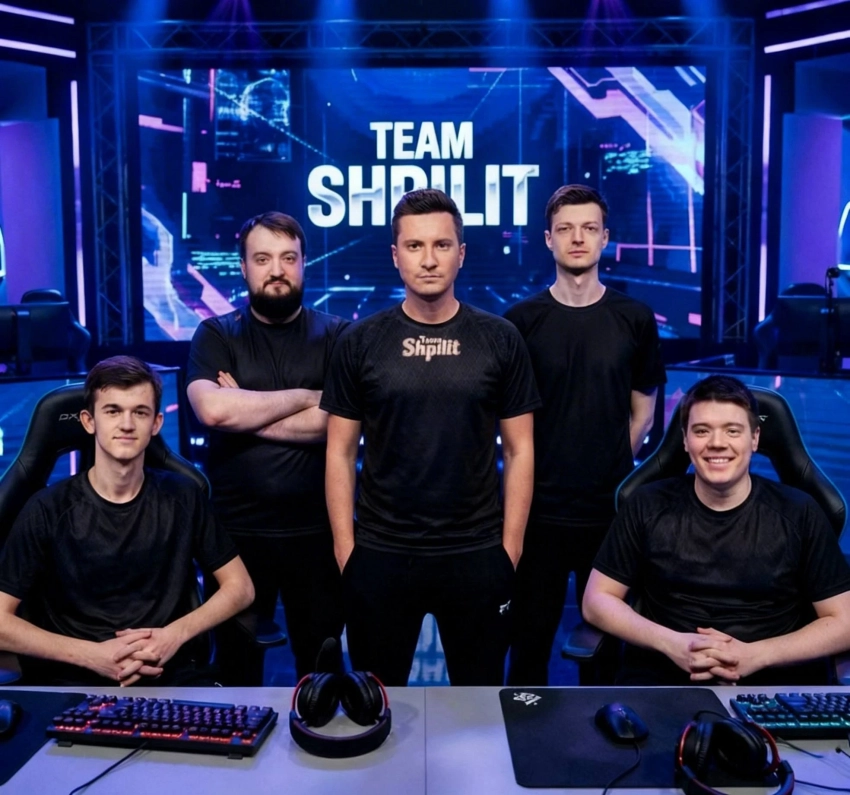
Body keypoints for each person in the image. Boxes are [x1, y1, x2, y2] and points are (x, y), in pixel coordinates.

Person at [322, 188, 540, 687]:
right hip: (380, 552)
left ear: (461, 254)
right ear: (395, 256)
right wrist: (346, 552)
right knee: (377, 706)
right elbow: (339, 452)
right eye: (415, 246)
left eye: (441, 245)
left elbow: (521, 449)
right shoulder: (360, 341)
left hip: (476, 552)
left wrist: (509, 551)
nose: (428, 259)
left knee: (479, 707)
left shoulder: (500, 338)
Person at [0, 356, 254, 687]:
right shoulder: (46, 509)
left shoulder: (184, 497)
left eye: (140, 412)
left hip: (169, 674)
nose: (127, 424)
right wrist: (93, 656)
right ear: (89, 421)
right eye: (113, 411)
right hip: (75, 680)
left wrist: (173, 636)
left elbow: (241, 588)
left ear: (156, 423)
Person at [582, 375, 850, 686]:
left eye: (732, 430)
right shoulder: (646, 505)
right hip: (664, 680)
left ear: (754, 438)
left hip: (770, 685)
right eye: (701, 431)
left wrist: (755, 655)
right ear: (685, 440)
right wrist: (673, 644)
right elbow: (597, 599)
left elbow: (844, 621)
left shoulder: (800, 513)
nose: (717, 443)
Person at [504, 184, 666, 685]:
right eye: (566, 229)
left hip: (609, 515)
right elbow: (507, 423)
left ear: (605, 238)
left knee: (604, 656)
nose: (578, 238)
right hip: (538, 514)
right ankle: (525, 730)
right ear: (548, 239)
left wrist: (611, 464)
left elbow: (644, 413)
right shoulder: (520, 322)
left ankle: (603, 731)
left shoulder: (634, 318)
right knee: (528, 648)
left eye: (589, 228)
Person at [186, 211, 347, 684]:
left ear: (303, 263)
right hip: (235, 540)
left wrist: (247, 409)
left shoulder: (338, 336)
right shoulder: (216, 334)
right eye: (262, 259)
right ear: (243, 267)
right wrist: (307, 396)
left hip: (320, 535)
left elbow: (341, 424)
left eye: (287, 258)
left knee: (321, 674)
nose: (276, 270)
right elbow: (214, 412)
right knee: (236, 674)